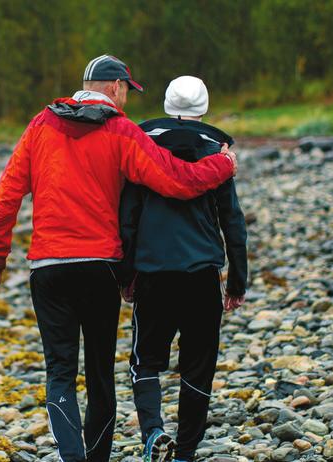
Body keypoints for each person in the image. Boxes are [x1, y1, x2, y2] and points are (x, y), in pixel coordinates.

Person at [0, 55, 237, 462]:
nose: (127, 101)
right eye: (127, 93)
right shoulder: (120, 130)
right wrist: (222, 164)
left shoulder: (40, 124)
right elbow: (176, 181)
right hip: (99, 267)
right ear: (116, 88)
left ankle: (72, 457)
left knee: (60, 373)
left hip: (47, 268)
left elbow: (8, 192)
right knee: (100, 376)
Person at [118, 75, 248, 462]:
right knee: (199, 364)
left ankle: (154, 431)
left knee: (144, 360)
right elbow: (233, 222)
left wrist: (126, 275)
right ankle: (185, 453)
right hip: (202, 272)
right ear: (204, 109)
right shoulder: (219, 155)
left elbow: (128, 218)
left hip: (154, 272)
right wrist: (237, 281)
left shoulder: (141, 147)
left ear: (167, 104)